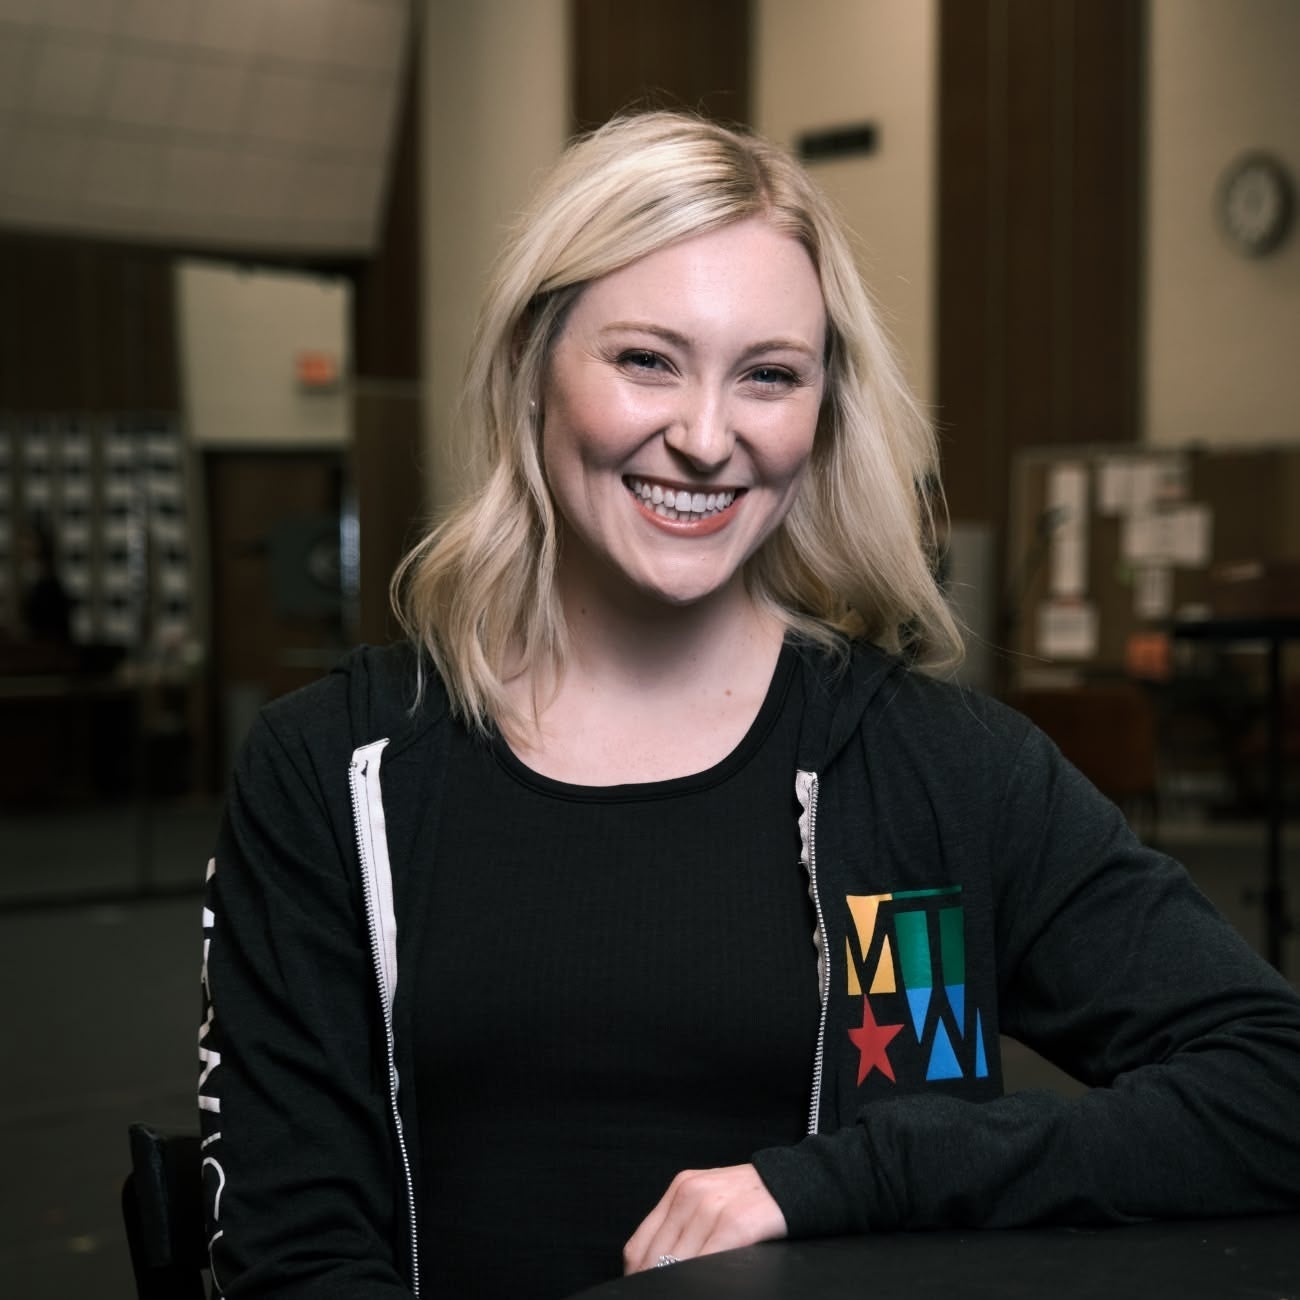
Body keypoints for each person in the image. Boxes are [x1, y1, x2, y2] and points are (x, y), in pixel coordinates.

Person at [198, 111, 1300, 1298]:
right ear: (532, 369)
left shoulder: (933, 769)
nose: (706, 438)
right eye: (646, 360)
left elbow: (1271, 1080)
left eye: (768, 375)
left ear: (821, 413)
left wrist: (841, 1181)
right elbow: (293, 1255)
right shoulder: (335, 772)